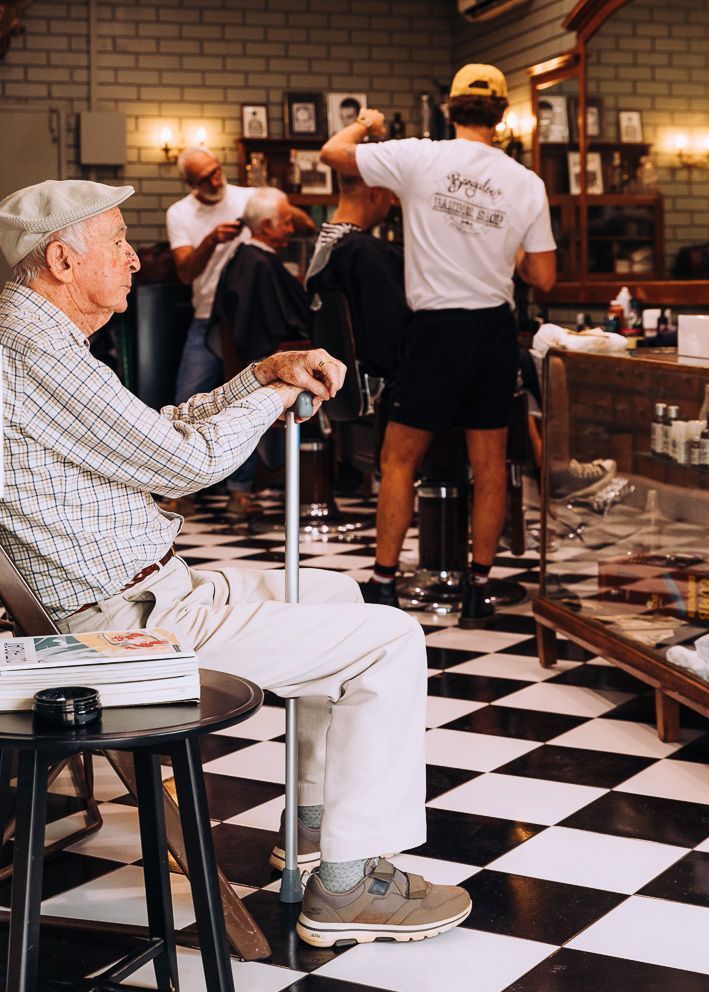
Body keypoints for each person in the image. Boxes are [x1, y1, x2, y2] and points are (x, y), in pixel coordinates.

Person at [0, 178, 472, 948]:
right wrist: (275, 387)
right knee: (392, 638)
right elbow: (182, 465)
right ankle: (350, 891)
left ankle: (320, 838)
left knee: (340, 597)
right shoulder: (31, 347)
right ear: (61, 258)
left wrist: (258, 375)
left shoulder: (39, 340)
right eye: (117, 243)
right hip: (121, 631)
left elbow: (148, 434)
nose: (133, 260)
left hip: (147, 595)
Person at [321, 63, 557, 627]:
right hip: (493, 329)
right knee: (491, 465)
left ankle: (383, 585)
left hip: (435, 330)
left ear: (450, 110)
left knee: (400, 459)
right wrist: (502, 249)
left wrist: (366, 122)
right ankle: (477, 590)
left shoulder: (420, 157)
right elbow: (544, 279)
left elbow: (333, 153)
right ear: (501, 116)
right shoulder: (526, 183)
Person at [166, 148, 314, 519]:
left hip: (248, 318)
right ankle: (180, 489)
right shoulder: (180, 214)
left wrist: (272, 210)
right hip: (209, 316)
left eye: (217, 171)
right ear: (190, 183)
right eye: (205, 178)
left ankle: (240, 492)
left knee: (245, 399)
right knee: (188, 398)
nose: (216, 181)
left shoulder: (246, 196)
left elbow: (301, 222)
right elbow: (184, 272)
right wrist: (212, 240)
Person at [305, 174, 408, 383]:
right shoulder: (365, 252)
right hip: (376, 385)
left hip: (339, 383)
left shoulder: (325, 245)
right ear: (377, 193)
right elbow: (391, 339)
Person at [209, 186, 310, 367]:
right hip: (271, 365)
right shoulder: (259, 265)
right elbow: (271, 331)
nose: (292, 229)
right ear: (266, 226)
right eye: (287, 223)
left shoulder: (249, 258)